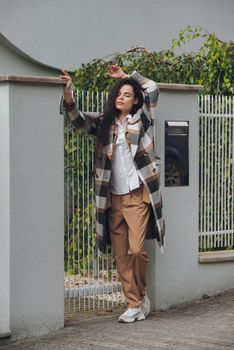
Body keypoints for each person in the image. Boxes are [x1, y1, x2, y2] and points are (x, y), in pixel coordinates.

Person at [60, 65, 165, 323]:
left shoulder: (143, 120)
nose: (122, 97)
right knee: (120, 255)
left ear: (135, 99)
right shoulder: (105, 124)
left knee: (137, 250)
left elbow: (153, 87)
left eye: (127, 94)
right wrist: (69, 94)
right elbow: (78, 120)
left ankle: (140, 296)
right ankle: (133, 304)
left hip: (137, 194)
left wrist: (128, 76)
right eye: (119, 93)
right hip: (113, 198)